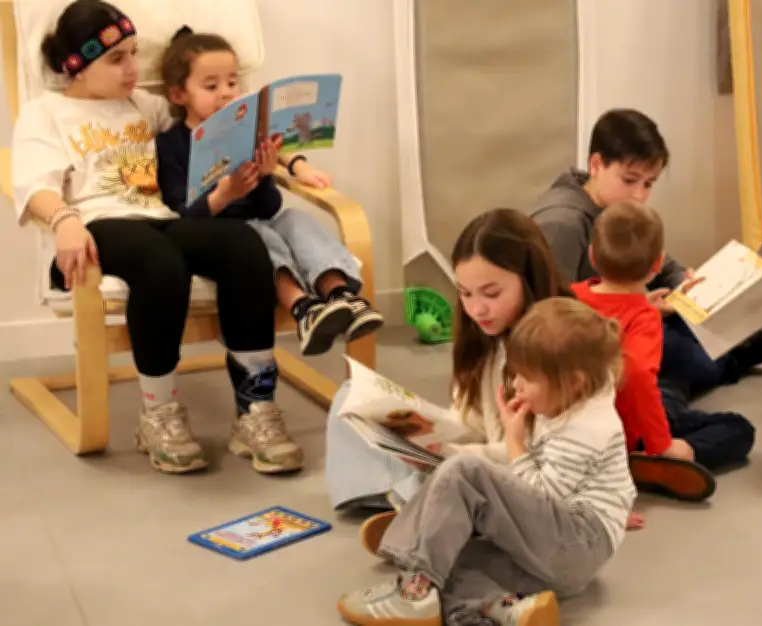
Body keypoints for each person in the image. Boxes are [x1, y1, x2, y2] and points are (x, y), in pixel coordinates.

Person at [12, 0, 303, 475]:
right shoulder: (46, 113)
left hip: (164, 217)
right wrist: (64, 220)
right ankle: (159, 415)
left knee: (242, 245)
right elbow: (33, 184)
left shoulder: (145, 106)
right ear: (76, 66)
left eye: (133, 53)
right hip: (100, 223)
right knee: (159, 261)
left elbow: (206, 130)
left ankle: (255, 411)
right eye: (117, 59)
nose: (133, 69)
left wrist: (274, 151)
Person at [336, 297, 637, 626]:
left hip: (578, 542)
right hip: (563, 553)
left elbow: (542, 495)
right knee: (452, 560)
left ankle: (414, 586)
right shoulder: (573, 399)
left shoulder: (588, 429)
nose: (517, 385)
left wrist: (514, 439)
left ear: (574, 381)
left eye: (527, 378)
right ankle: (502, 608)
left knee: (463, 473)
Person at [324, 208, 573, 518]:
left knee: (452, 476)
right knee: (349, 394)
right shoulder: (484, 337)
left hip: (515, 476)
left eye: (492, 293)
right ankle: (403, 499)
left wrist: (448, 453)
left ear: (530, 278)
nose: (477, 309)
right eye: (465, 294)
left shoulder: (555, 347)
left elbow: (526, 454)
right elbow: (469, 422)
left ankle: (408, 502)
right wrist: (427, 433)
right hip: (474, 460)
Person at [155, 27, 384, 357]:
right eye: (211, 85)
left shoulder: (246, 137)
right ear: (179, 95)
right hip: (219, 240)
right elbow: (181, 215)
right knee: (257, 237)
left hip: (258, 224)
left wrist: (264, 176)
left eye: (232, 83)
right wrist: (225, 195)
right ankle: (303, 309)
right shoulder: (171, 146)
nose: (226, 92)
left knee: (294, 219)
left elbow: (268, 208)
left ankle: (340, 297)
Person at [530, 108, 762, 394]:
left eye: (648, 184)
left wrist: (684, 284)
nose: (639, 195)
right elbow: (552, 319)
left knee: (684, 332)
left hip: (624, 319)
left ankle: (717, 349)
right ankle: (726, 362)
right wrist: (634, 310)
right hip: (582, 344)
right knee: (684, 354)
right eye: (629, 180)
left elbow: (663, 264)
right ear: (596, 165)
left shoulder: (613, 206)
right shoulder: (562, 223)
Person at [572, 201, 755, 503]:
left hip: (582, 426)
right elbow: (638, 376)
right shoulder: (642, 320)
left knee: (675, 377)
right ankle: (655, 461)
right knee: (739, 429)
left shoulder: (572, 295)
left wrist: (649, 309)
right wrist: (662, 444)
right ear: (657, 265)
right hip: (629, 431)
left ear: (592, 255)